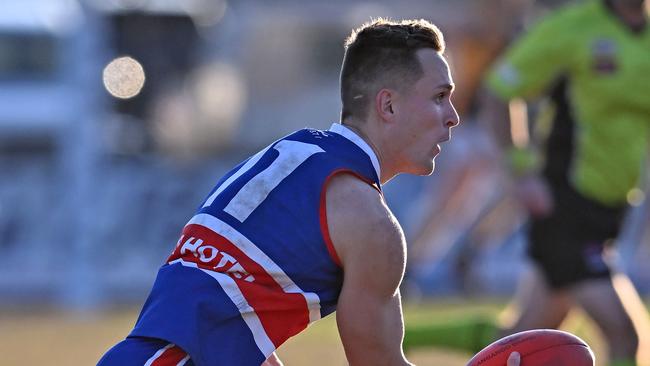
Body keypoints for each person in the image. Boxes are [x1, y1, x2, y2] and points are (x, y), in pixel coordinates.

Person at [98, 18, 514, 366]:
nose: (454, 117)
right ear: (387, 106)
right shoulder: (371, 225)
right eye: (440, 97)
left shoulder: (286, 154)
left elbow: (231, 317)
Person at [405, 1, 650, 365]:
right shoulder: (574, 26)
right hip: (565, 205)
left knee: (521, 337)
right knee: (623, 334)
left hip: (610, 210)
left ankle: (395, 338)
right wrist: (520, 170)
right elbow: (499, 89)